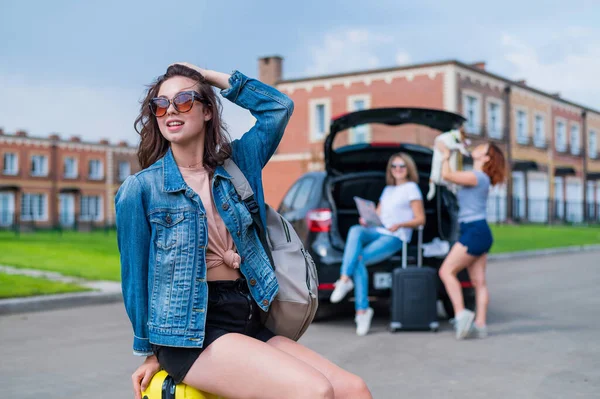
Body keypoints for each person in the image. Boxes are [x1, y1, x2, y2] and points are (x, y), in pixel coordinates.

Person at [115, 63, 372, 399]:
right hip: (191, 335)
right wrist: (148, 353)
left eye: (184, 100)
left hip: (247, 319)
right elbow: (135, 279)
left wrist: (206, 76)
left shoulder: (238, 165)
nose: (171, 111)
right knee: (314, 391)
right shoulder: (142, 189)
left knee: (354, 389)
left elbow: (278, 108)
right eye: (160, 105)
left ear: (208, 110)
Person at [329, 153, 426, 336]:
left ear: (408, 169)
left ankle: (361, 310)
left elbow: (421, 219)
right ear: (390, 169)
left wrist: (400, 224)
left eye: (402, 166)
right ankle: (345, 280)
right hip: (378, 231)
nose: (398, 169)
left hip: (395, 236)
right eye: (394, 166)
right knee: (356, 229)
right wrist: (367, 219)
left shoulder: (411, 188)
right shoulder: (388, 190)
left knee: (359, 259)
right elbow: (378, 216)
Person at [437, 141, 506, 340]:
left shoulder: (477, 177)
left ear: (486, 158)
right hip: (479, 230)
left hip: (474, 231)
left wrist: (444, 155)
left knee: (446, 271)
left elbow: (448, 175)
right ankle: (480, 325)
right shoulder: (480, 178)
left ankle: (461, 314)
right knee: (479, 282)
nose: (476, 148)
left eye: (481, 148)